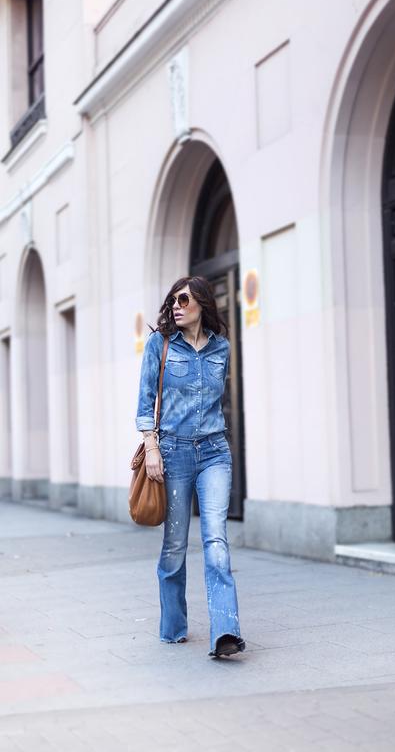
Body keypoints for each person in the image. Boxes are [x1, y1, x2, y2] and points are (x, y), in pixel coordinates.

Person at [136, 275, 245, 658]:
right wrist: (152, 447)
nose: (176, 306)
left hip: (214, 451)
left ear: (202, 303)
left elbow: (215, 401)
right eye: (173, 301)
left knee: (216, 541)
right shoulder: (160, 344)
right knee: (175, 546)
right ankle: (173, 626)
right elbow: (145, 401)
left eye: (184, 299)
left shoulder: (221, 348)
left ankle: (226, 631)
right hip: (174, 453)